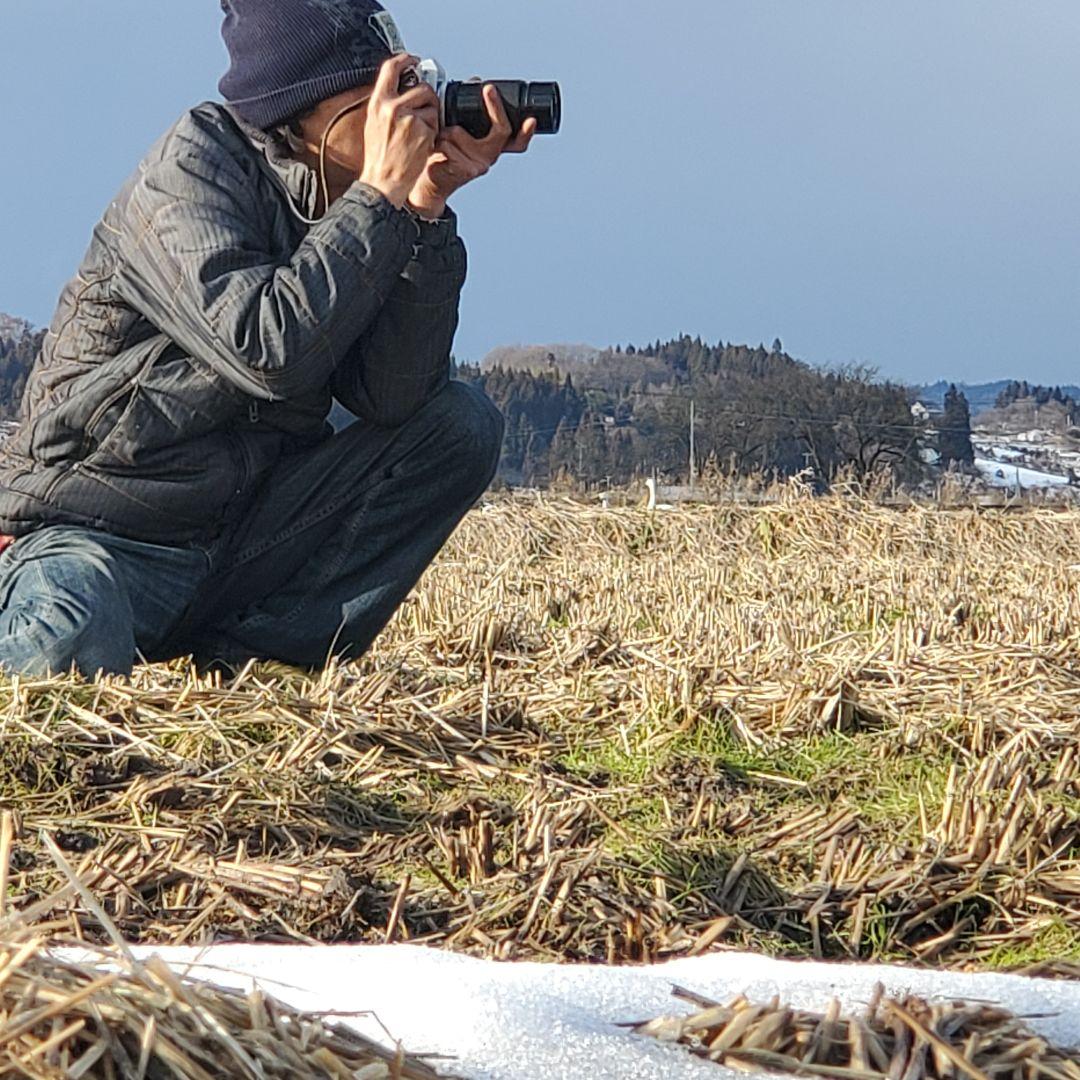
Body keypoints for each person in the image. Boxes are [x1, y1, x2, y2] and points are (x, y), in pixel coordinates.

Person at [0, 0, 536, 678]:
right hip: (104, 537)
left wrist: (423, 209)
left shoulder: (363, 202)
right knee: (62, 642)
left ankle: (257, 660)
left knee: (460, 425)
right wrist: (378, 199)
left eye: (411, 87)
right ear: (305, 108)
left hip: (240, 541)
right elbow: (267, 350)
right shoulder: (190, 170)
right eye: (386, 93)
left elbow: (393, 397)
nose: (410, 115)